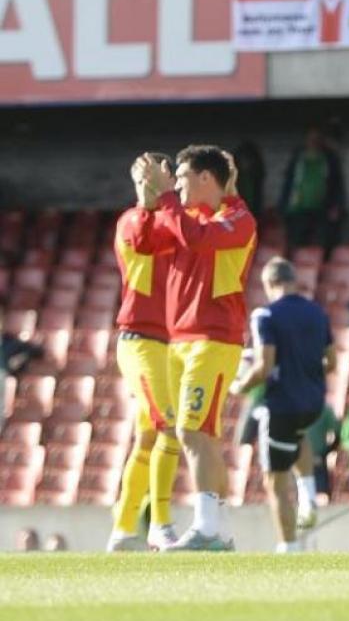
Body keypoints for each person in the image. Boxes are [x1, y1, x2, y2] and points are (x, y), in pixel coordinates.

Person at [133, 145, 258, 552]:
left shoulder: (238, 219)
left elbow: (198, 239)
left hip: (214, 338)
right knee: (202, 434)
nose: (178, 185)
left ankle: (207, 528)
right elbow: (144, 243)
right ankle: (218, 529)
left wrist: (167, 199)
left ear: (207, 179)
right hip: (178, 339)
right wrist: (148, 200)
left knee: (190, 429)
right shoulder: (182, 216)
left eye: (183, 177)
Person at [230, 257, 334, 553]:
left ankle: (288, 547)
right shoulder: (317, 313)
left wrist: (240, 386)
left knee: (274, 480)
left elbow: (264, 367)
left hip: (282, 404)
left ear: (269, 284)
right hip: (313, 402)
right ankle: (309, 493)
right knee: (297, 437)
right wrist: (307, 375)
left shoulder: (265, 315)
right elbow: (333, 362)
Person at [107, 152, 182, 553]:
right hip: (138, 339)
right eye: (143, 179)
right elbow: (144, 238)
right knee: (168, 426)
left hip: (169, 344)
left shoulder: (175, 221)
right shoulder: (132, 220)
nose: (149, 185)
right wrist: (156, 197)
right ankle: (161, 524)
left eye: (155, 178)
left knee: (148, 435)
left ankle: (122, 529)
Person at [278, 126, 344, 250]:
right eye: (311, 138)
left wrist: (336, 205)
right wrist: (283, 205)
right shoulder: (298, 158)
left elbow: (336, 184)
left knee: (320, 245)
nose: (314, 141)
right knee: (297, 244)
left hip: (322, 209)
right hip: (298, 208)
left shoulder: (329, 159)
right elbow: (289, 183)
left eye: (317, 139)